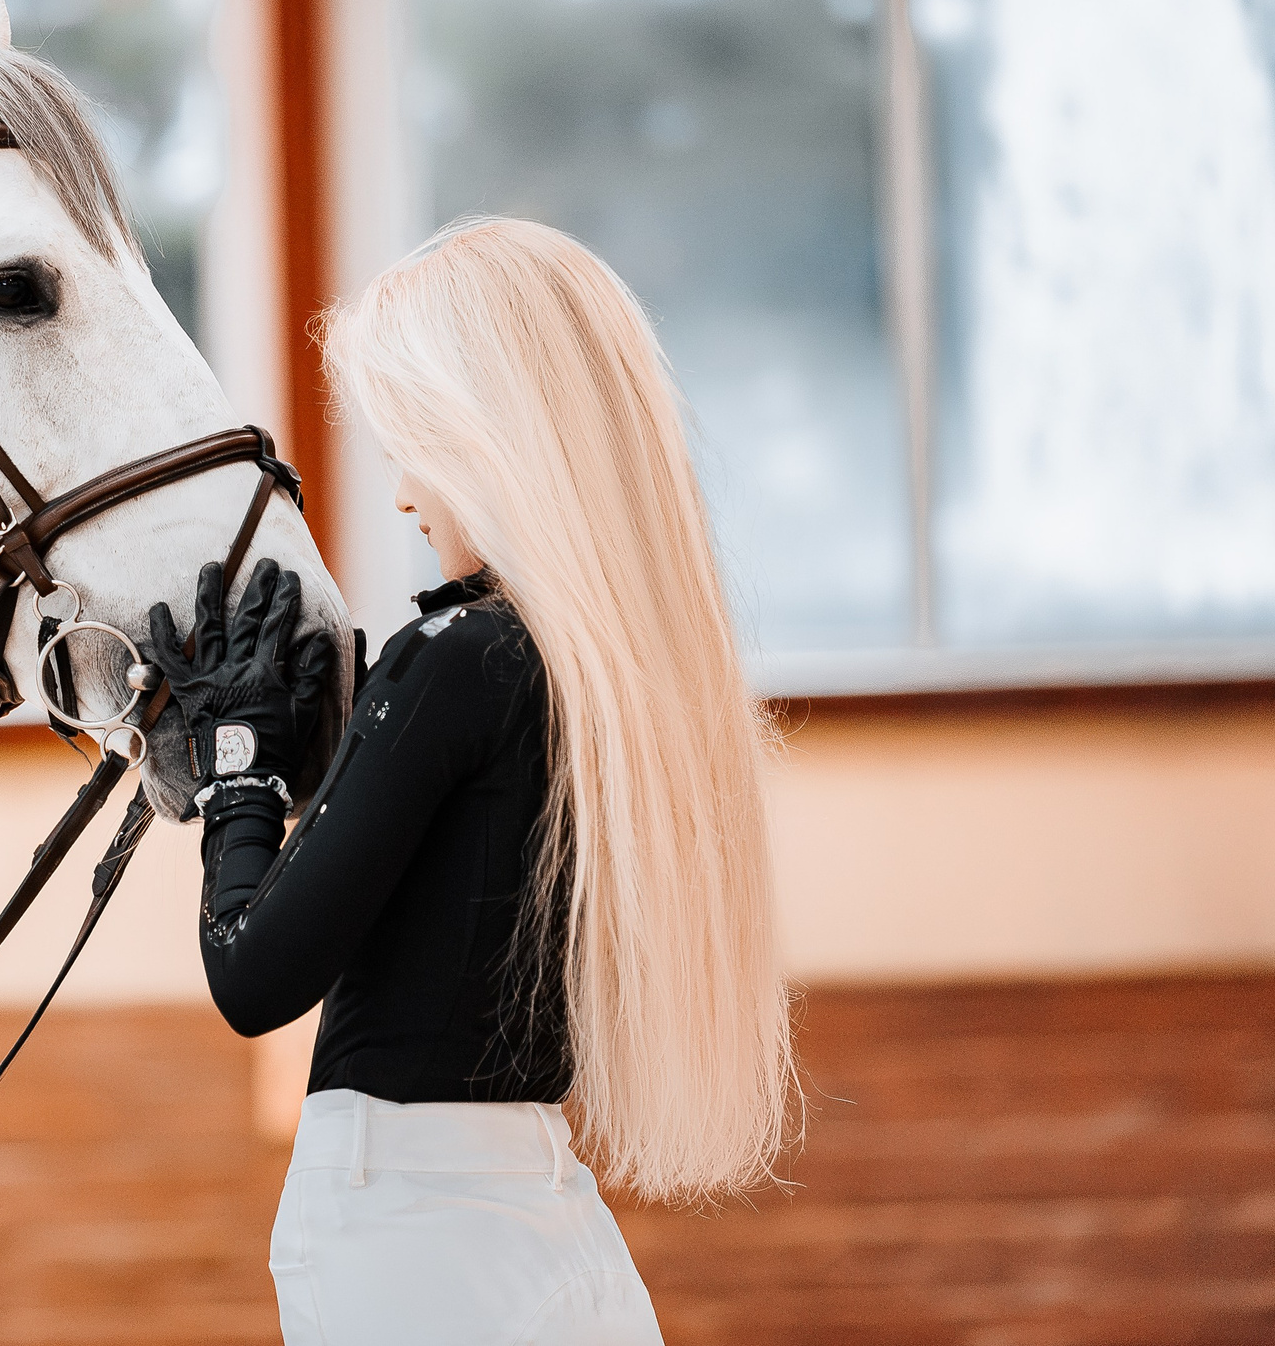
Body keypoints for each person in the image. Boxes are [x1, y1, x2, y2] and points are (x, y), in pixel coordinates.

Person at [146, 218, 795, 1346]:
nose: (403, 495)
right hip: (543, 1212)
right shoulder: (609, 669)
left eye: (415, 445)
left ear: (487, 439)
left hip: (410, 1228)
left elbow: (254, 971)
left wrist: (236, 770)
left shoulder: (460, 660)